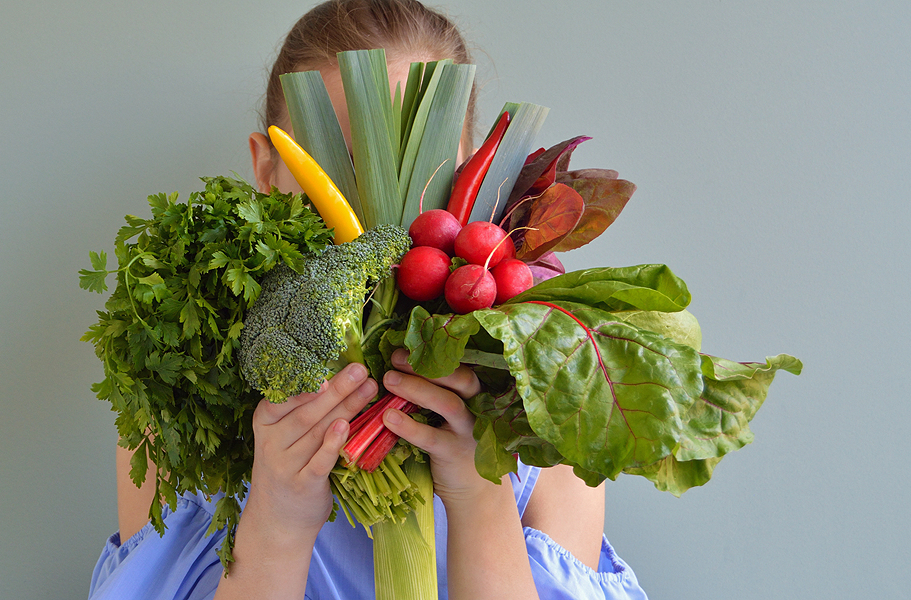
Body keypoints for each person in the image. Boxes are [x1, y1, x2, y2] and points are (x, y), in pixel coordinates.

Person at [90, 2, 649, 598]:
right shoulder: (177, 392)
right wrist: (276, 520)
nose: (373, 221)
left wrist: (479, 496)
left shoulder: (547, 394)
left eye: (425, 177)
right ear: (266, 167)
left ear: (474, 180)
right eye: (338, 167)